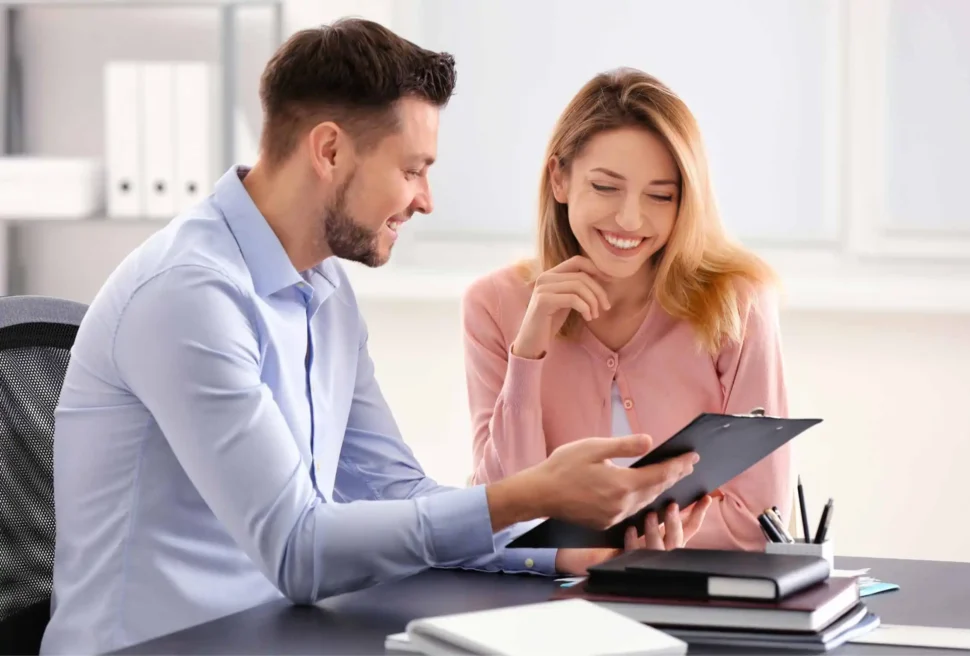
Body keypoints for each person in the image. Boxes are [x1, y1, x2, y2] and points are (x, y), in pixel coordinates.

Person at [40, 22, 705, 655]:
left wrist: (559, 548)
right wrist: (533, 494)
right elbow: (297, 549)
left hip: (274, 633)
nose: (426, 200)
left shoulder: (324, 287)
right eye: (413, 169)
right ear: (329, 151)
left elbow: (397, 491)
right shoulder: (188, 295)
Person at [462, 67, 791, 551]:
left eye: (660, 195)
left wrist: (609, 541)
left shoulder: (737, 303)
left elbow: (761, 520)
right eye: (605, 187)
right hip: (545, 594)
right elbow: (502, 516)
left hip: (690, 588)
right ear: (559, 179)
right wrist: (527, 353)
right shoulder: (493, 305)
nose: (630, 219)